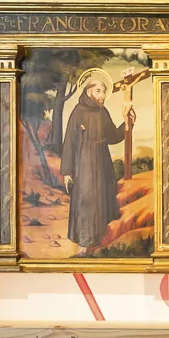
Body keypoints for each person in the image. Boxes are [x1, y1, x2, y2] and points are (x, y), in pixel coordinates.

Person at [61, 77, 133, 251]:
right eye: (98, 91)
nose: (102, 95)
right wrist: (67, 171)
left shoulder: (102, 112)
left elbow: (113, 136)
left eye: (104, 91)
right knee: (85, 200)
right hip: (83, 163)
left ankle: (99, 244)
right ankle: (83, 244)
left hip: (101, 161)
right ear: (88, 92)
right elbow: (69, 141)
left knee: (101, 199)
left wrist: (127, 122)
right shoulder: (78, 112)